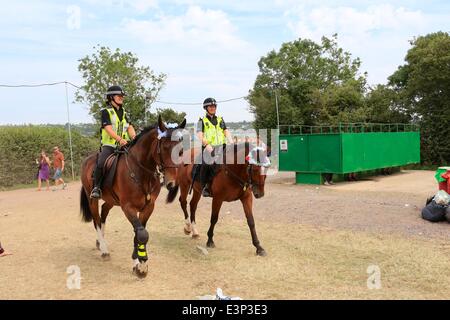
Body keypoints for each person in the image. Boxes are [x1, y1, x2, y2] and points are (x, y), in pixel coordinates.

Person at [90, 85, 136, 199]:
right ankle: (96, 187)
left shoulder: (125, 112)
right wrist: (119, 139)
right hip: (110, 145)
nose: (122, 98)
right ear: (111, 97)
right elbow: (108, 129)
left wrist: (134, 138)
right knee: (101, 163)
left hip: (125, 145)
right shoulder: (106, 112)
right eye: (119, 96)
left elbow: (129, 127)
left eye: (122, 96)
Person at [196, 97, 233, 197]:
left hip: (222, 146)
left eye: (214, 106)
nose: (212, 108)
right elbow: (200, 135)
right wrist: (208, 147)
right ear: (206, 108)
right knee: (206, 164)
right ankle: (205, 187)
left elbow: (225, 131)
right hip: (209, 148)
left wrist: (231, 142)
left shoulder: (220, 119)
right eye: (210, 106)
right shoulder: (202, 120)